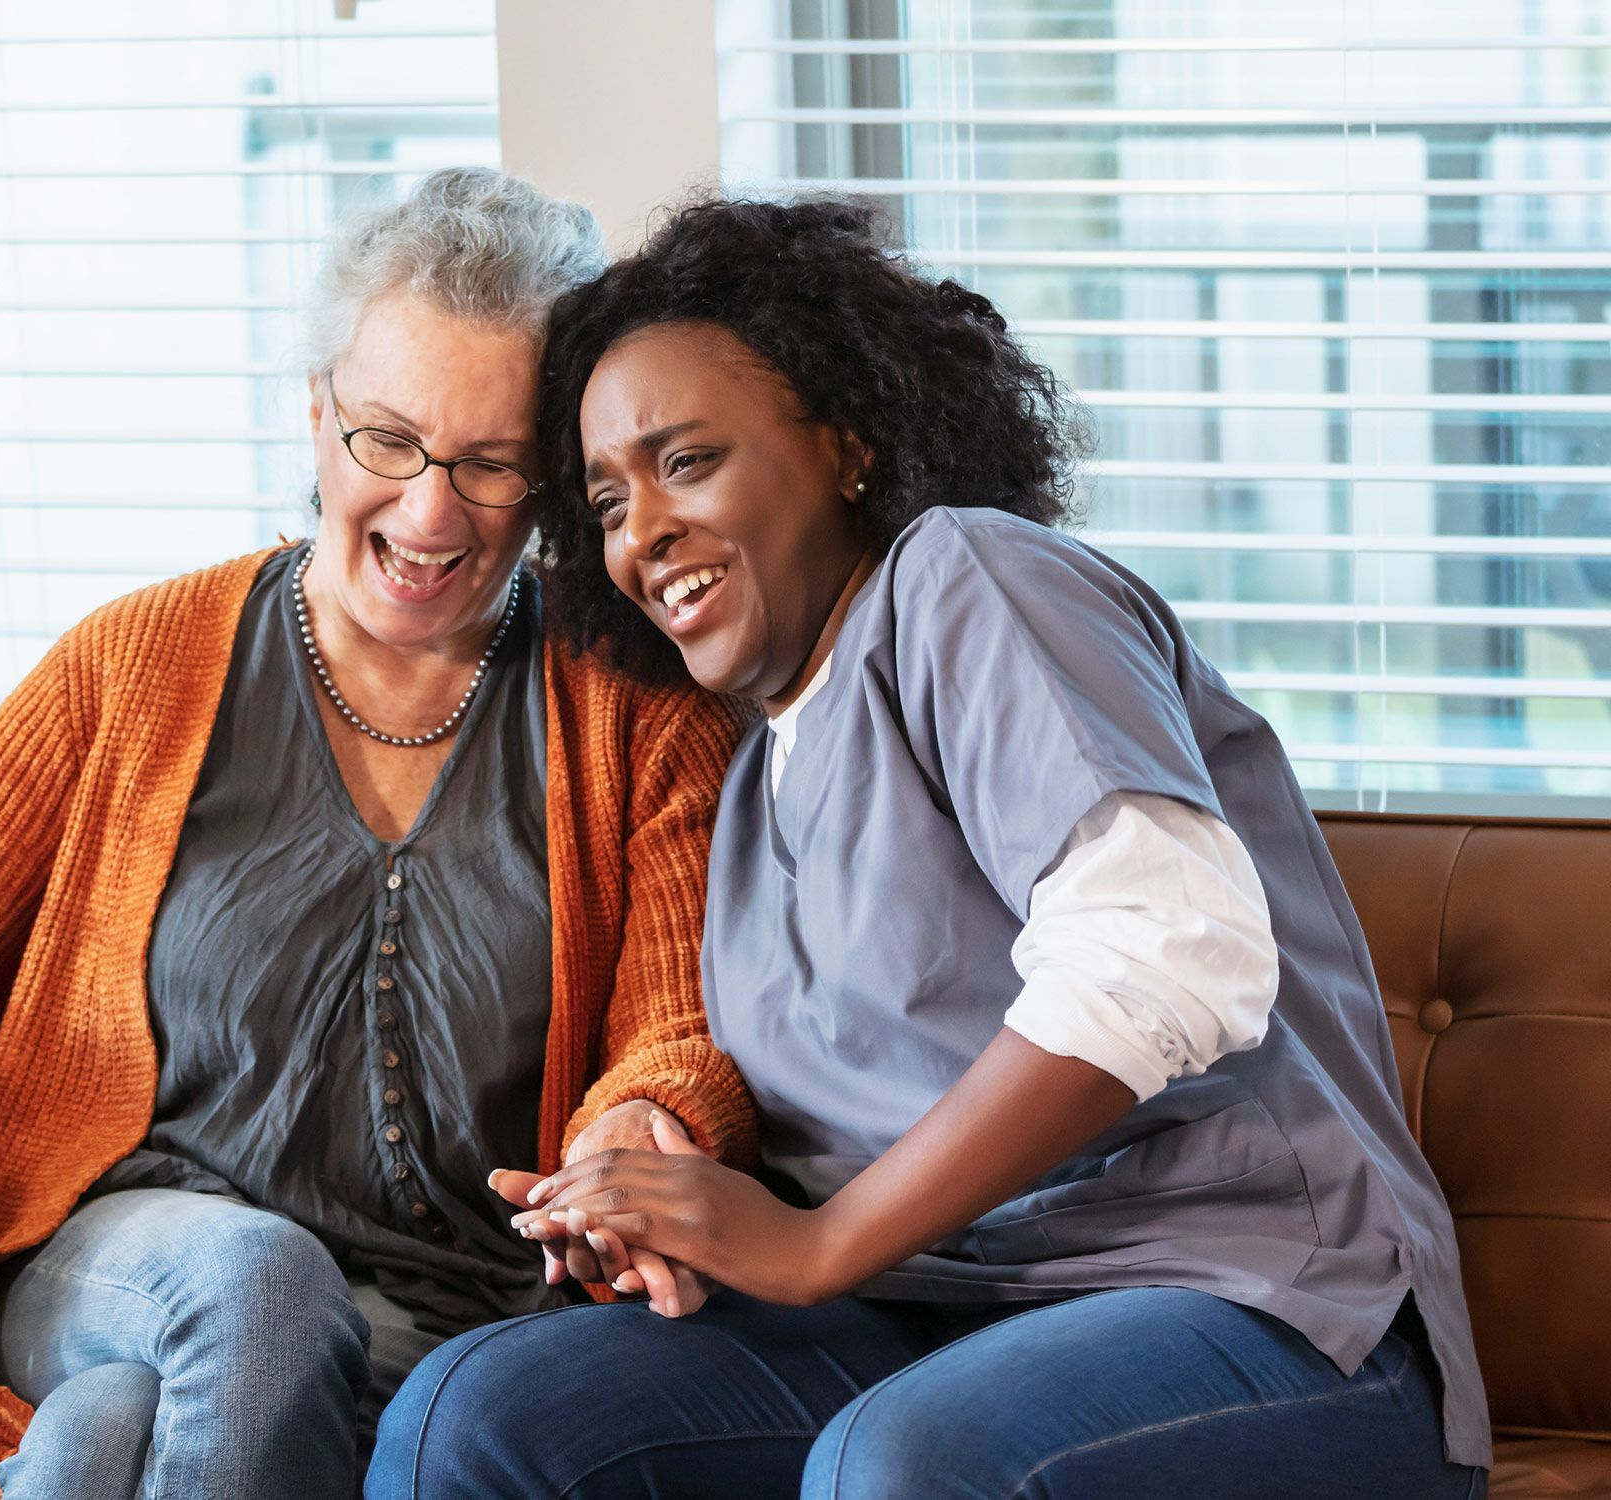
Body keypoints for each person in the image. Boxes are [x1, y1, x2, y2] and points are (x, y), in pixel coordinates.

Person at [0, 169, 755, 1500]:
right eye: (385, 438)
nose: (428, 511)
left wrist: (638, 1124)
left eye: (492, 460)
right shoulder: (131, 668)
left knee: (107, 1435)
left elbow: (680, 1027)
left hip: (459, 1312)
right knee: (255, 1287)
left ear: (560, 474)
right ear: (316, 410)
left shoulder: (638, 715)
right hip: (119, 1261)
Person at [367, 198, 1490, 1500]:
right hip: (937, 1315)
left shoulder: (974, 583)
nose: (643, 534)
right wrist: (655, 1213)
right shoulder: (754, 772)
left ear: (846, 443)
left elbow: (1171, 956)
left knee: (899, 1465)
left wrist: (818, 1246)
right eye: (607, 499)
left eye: (685, 462)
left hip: (1265, 1311)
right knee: (484, 1412)